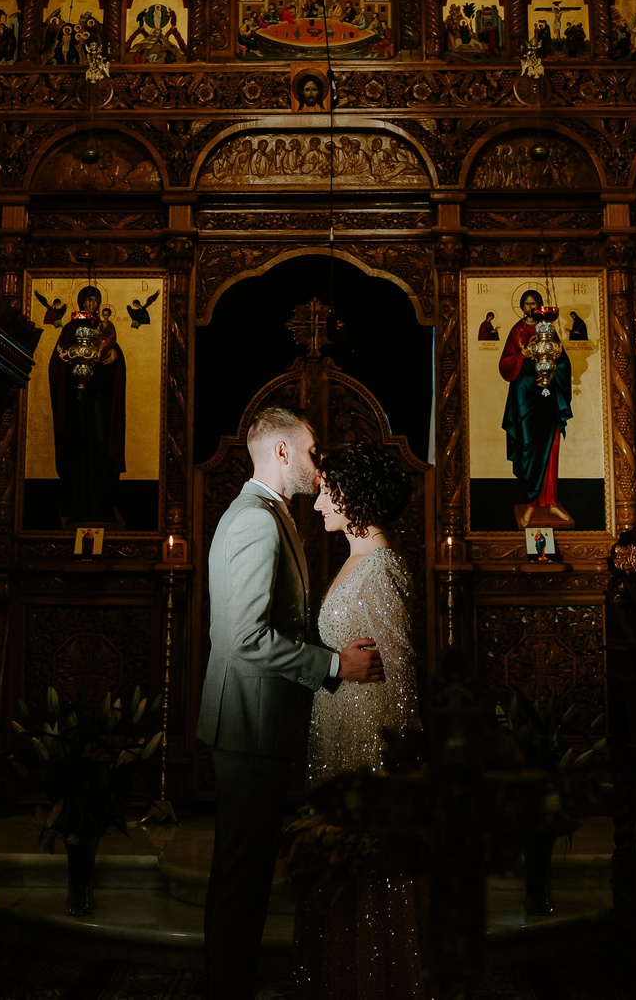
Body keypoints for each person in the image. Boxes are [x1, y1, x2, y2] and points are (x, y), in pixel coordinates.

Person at [197, 407, 384, 1000]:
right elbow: (245, 639)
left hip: (255, 722)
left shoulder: (266, 515)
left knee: (245, 872)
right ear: (280, 453)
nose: (316, 462)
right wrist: (334, 666)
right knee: (242, 875)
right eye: (309, 450)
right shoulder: (255, 521)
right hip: (248, 724)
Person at [306, 441, 429, 1000]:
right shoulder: (356, 559)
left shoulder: (379, 569)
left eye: (326, 491)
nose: (316, 504)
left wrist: (393, 771)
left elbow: (399, 675)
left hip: (368, 744)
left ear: (352, 494)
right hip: (338, 730)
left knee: (370, 862)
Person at [498, 289, 574, 527]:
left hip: (547, 393)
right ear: (522, 307)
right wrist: (523, 356)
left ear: (540, 307)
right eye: (527, 304)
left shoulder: (548, 331)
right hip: (524, 395)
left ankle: (551, 502)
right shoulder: (517, 331)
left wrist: (554, 360)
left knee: (550, 446)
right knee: (528, 447)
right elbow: (505, 364)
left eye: (534, 304)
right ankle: (531, 504)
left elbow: (563, 361)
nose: (530, 308)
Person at [49, 286, 124, 522]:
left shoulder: (105, 328)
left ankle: (105, 508)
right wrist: (71, 365)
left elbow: (114, 357)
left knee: (101, 443)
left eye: (95, 300)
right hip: (76, 401)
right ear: (82, 303)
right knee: (76, 446)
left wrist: (113, 357)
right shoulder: (70, 329)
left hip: (100, 400)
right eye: (88, 300)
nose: (92, 305)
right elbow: (57, 363)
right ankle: (72, 508)